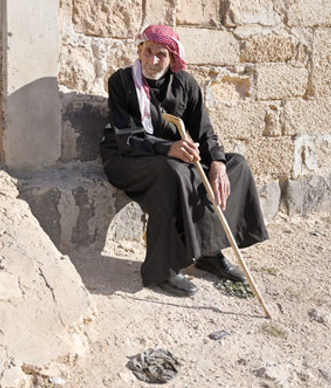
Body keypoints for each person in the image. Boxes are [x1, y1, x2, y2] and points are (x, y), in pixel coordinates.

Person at [100, 25, 268, 297]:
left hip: (172, 155)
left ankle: (209, 251)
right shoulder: (121, 82)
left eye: (161, 55)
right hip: (127, 157)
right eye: (148, 52)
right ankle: (161, 270)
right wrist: (168, 148)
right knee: (174, 174)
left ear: (172, 58)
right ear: (139, 51)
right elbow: (126, 137)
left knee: (236, 165)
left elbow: (204, 131)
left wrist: (217, 163)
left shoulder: (184, 84)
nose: (153, 61)